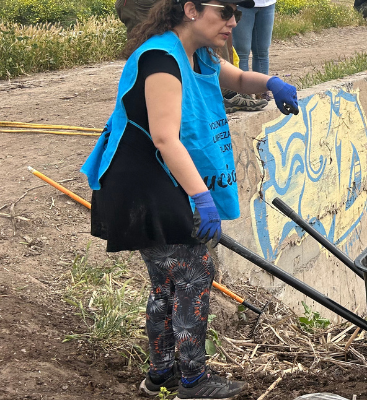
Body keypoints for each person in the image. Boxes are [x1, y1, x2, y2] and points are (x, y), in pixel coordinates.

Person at [80, 0, 300, 398]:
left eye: (237, 14)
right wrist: (203, 198)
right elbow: (164, 138)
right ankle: (193, 381)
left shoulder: (200, 56)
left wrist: (271, 83)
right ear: (191, 10)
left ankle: (161, 374)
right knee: (195, 272)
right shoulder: (161, 60)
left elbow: (238, 79)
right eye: (227, 12)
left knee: (167, 283)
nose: (234, 22)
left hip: (152, 181)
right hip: (141, 184)